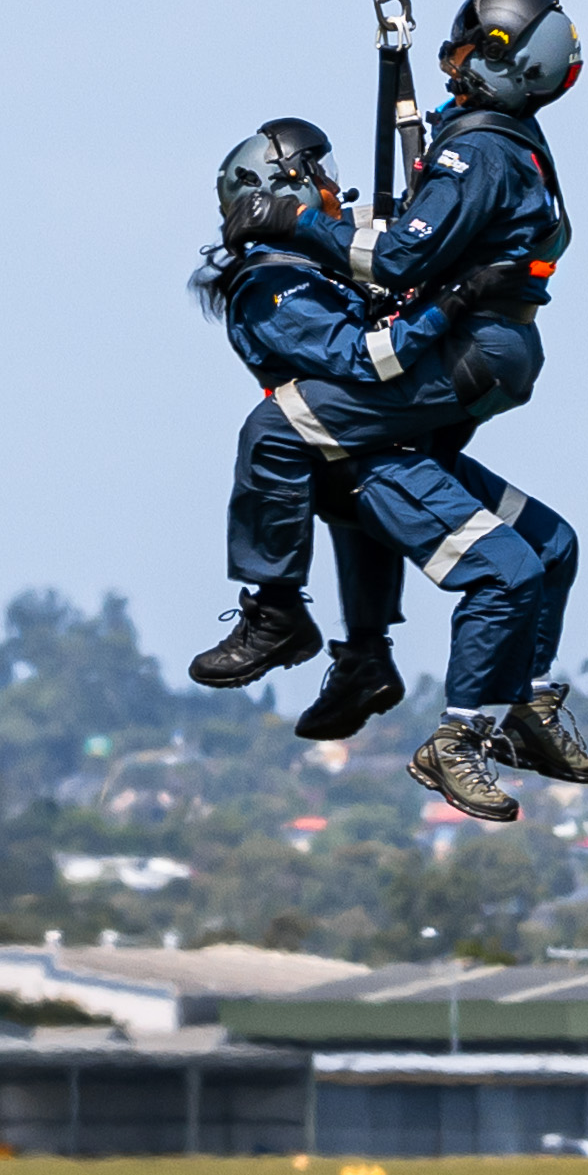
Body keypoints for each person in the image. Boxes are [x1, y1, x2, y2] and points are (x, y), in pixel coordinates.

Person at [354, 0, 588, 819]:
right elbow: (401, 258)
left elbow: (399, 256)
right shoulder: (496, 145)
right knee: (507, 569)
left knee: (554, 548)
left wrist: (328, 232)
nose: (455, 52)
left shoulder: (484, 149)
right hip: (391, 438)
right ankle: (457, 737)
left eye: (470, 42)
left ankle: (520, 715)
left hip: (460, 370)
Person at [180, 123, 423, 740]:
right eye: (321, 170)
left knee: (358, 491)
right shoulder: (273, 279)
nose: (334, 185)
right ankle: (278, 608)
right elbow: (348, 353)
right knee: (280, 439)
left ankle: (367, 651)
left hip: (359, 435)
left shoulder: (316, 263)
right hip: (333, 433)